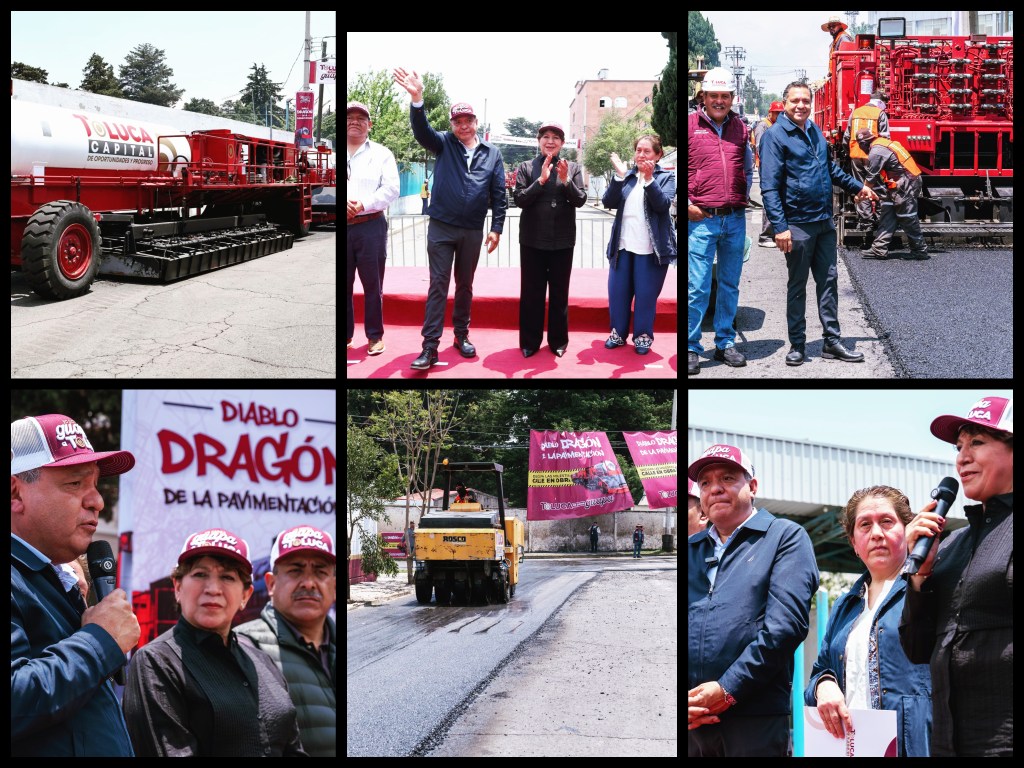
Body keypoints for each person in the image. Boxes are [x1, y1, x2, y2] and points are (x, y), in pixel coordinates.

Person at [11, 414, 140, 757]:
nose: (96, 501)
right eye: (74, 484)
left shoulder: (51, 579)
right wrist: (101, 640)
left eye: (96, 485)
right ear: (14, 493)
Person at [123, 528, 306, 756]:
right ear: (178, 587)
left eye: (228, 577)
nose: (213, 589)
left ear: (245, 596)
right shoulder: (156, 662)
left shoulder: (262, 661)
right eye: (200, 574)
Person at [688, 443, 819, 756]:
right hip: (692, 724)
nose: (715, 488)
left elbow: (784, 627)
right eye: (705, 483)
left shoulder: (784, 537)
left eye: (728, 478)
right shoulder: (691, 549)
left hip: (754, 720)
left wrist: (729, 688)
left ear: (753, 486)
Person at [900, 396, 1013, 756]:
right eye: (959, 446)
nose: (962, 457)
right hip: (948, 743)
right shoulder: (950, 545)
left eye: (977, 443)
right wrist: (921, 577)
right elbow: (917, 649)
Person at [804, 486, 932, 756]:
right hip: (852, 745)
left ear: (907, 529)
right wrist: (823, 687)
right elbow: (821, 669)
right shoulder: (845, 605)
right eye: (864, 525)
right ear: (853, 542)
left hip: (914, 744)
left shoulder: (928, 588)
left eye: (887, 522)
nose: (876, 534)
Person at [393, 68, 507, 370]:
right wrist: (417, 98)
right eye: (458, 121)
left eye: (468, 120)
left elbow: (499, 193)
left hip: (472, 230)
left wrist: (496, 228)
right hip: (441, 227)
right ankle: (429, 347)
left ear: (476, 123)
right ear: (452, 124)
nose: (463, 126)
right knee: (438, 285)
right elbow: (421, 131)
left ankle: (461, 335)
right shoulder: (442, 142)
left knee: (465, 285)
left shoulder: (492, 153)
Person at [759, 80, 879, 367]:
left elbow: (830, 170)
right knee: (797, 285)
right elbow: (769, 187)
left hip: (823, 222)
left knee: (828, 282)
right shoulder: (775, 136)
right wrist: (780, 227)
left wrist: (857, 187)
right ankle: (797, 344)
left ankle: (832, 341)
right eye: (795, 101)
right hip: (797, 225)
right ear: (785, 103)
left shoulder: (814, 131)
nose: (801, 106)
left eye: (805, 101)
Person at [236, 526, 337, 757]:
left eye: (320, 572)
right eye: (295, 571)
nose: (309, 583)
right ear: (271, 584)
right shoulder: (244, 648)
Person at [687, 67, 753, 375]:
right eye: (713, 95)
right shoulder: (688, 126)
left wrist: (740, 201)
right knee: (697, 286)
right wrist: (685, 204)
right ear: (703, 97)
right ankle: (690, 346)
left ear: (731, 98)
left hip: (734, 219)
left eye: (724, 96)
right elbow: (676, 172)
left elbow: (748, 168)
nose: (719, 101)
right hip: (701, 220)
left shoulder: (741, 128)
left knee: (729, 285)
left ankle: (725, 343)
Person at [513, 121, 586, 358]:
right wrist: (541, 180)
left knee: (559, 293)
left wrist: (565, 180)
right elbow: (520, 200)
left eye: (556, 137)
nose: (550, 141)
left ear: (563, 143)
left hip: (562, 242)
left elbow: (580, 200)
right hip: (532, 240)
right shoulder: (526, 167)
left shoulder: (573, 167)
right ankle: (530, 342)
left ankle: (558, 341)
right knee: (531, 293)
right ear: (539, 141)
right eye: (545, 136)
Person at [603, 134, 676, 357]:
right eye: (638, 151)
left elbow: (662, 205)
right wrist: (619, 176)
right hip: (622, 247)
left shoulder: (666, 178)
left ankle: (643, 336)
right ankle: (617, 333)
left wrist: (650, 178)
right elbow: (608, 202)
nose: (641, 155)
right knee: (618, 294)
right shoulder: (628, 177)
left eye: (647, 151)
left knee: (645, 296)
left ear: (658, 154)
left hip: (651, 250)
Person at [347, 101, 400, 356]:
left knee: (372, 285)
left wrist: (362, 204)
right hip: (340, 228)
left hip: (371, 225)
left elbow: (391, 188)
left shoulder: (382, 154)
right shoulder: (332, 154)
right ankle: (345, 336)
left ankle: (374, 336)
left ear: (370, 124)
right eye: (349, 117)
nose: (354, 121)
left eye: (361, 117)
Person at [855, 129, 929, 261]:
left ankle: (919, 250)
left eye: (860, 145)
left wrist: (861, 194)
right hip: (899, 183)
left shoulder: (876, 151)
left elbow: (871, 177)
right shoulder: (883, 144)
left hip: (906, 183)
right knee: (887, 213)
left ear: (863, 143)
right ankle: (879, 249)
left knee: (907, 216)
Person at [753, 101, 785, 247]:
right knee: (770, 198)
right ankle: (766, 235)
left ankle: (775, 231)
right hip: (767, 167)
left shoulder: (777, 126)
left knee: (778, 198)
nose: (779, 115)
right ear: (770, 112)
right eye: (776, 113)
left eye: (781, 113)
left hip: (776, 166)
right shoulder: (763, 126)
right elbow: (761, 148)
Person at [822, 15, 854, 81]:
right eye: (829, 27)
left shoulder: (843, 37)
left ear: (840, 26)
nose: (831, 28)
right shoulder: (834, 42)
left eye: (833, 26)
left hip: (844, 74)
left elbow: (847, 59)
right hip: (837, 74)